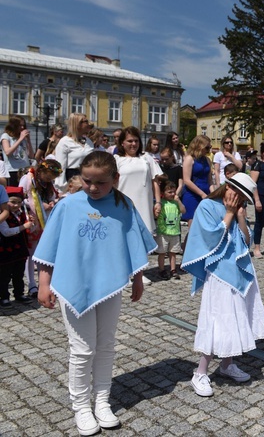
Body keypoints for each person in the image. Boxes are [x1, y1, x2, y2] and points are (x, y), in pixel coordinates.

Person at [34, 151, 157, 435]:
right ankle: (81, 405)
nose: (92, 187)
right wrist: (44, 283)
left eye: (100, 182)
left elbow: (131, 243)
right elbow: (50, 247)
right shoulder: (67, 206)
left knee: (106, 345)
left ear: (115, 179)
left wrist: (137, 277)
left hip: (110, 286)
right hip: (74, 283)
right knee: (82, 349)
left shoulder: (123, 204)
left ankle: (102, 400)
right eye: (87, 180)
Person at [181, 173, 264, 397]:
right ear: (227, 187)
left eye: (243, 198)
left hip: (239, 271)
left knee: (237, 316)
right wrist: (230, 214)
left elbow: (246, 240)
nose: (239, 199)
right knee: (216, 319)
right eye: (238, 194)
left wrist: (240, 216)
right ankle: (200, 372)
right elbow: (210, 239)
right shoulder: (206, 206)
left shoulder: (239, 208)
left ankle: (226, 364)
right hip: (219, 272)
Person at [18, 159, 63, 298]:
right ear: (42, 171)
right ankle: (32, 284)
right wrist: (40, 205)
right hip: (32, 220)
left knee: (45, 252)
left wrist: (51, 202)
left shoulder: (48, 184)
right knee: (31, 254)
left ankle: (47, 282)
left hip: (46, 220)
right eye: (49, 175)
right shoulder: (27, 179)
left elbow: (52, 196)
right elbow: (20, 198)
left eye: (52, 177)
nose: (50, 179)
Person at [114, 127, 163, 238]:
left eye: (136, 140)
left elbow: (155, 181)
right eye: (130, 141)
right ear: (122, 143)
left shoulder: (146, 158)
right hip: (123, 205)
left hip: (144, 206)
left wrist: (158, 202)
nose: (134, 144)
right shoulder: (116, 159)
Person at [0, 186, 34, 307]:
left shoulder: (22, 213)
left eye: (19, 202)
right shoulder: (3, 215)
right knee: (4, 275)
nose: (16, 205)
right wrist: (23, 227)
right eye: (13, 202)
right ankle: (4, 297)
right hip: (6, 250)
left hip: (20, 248)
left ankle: (19, 293)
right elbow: (6, 232)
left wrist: (29, 223)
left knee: (18, 274)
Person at [181, 135, 213, 232]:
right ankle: (188, 246)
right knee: (193, 227)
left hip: (205, 193)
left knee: (204, 225)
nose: (208, 150)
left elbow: (210, 180)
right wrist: (201, 193)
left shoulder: (207, 160)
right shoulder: (189, 159)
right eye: (207, 147)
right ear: (199, 146)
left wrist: (213, 193)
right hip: (192, 194)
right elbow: (186, 180)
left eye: (209, 147)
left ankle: (186, 245)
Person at [155, 179, 186, 281]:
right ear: (163, 193)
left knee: (173, 252)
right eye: (169, 192)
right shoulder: (162, 203)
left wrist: (178, 201)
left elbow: (183, 210)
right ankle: (161, 269)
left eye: (174, 191)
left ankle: (173, 269)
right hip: (163, 232)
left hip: (175, 232)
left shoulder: (176, 203)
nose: (172, 194)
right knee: (162, 252)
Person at [55, 113, 94, 191]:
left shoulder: (88, 141)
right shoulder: (65, 142)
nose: (89, 124)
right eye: (85, 121)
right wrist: (61, 187)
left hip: (88, 178)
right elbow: (60, 166)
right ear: (78, 124)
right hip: (73, 179)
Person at [1, 115, 33, 186]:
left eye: (23, 126)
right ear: (13, 126)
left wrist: (28, 140)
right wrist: (20, 139)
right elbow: (7, 152)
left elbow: (31, 155)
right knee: (14, 193)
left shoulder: (23, 137)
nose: (22, 127)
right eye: (20, 125)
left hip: (25, 169)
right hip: (12, 170)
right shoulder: (6, 136)